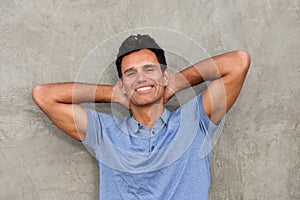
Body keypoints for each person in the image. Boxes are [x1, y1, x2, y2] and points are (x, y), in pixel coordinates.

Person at [32, 34, 250, 199]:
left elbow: (239, 62)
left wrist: (178, 82)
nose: (141, 78)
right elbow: (43, 95)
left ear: (164, 75)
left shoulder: (195, 120)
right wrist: (112, 94)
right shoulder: (104, 131)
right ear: (122, 84)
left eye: (149, 69)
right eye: (131, 73)